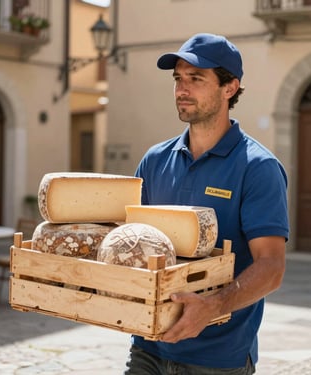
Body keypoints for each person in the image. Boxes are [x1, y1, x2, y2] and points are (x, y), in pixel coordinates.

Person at [124, 33, 289, 374]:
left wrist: (212, 307)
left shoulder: (258, 168)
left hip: (218, 358)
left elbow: (271, 267)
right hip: (147, 348)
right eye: (178, 79)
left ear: (230, 88)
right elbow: (129, 241)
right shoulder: (154, 160)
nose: (182, 89)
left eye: (196, 79)